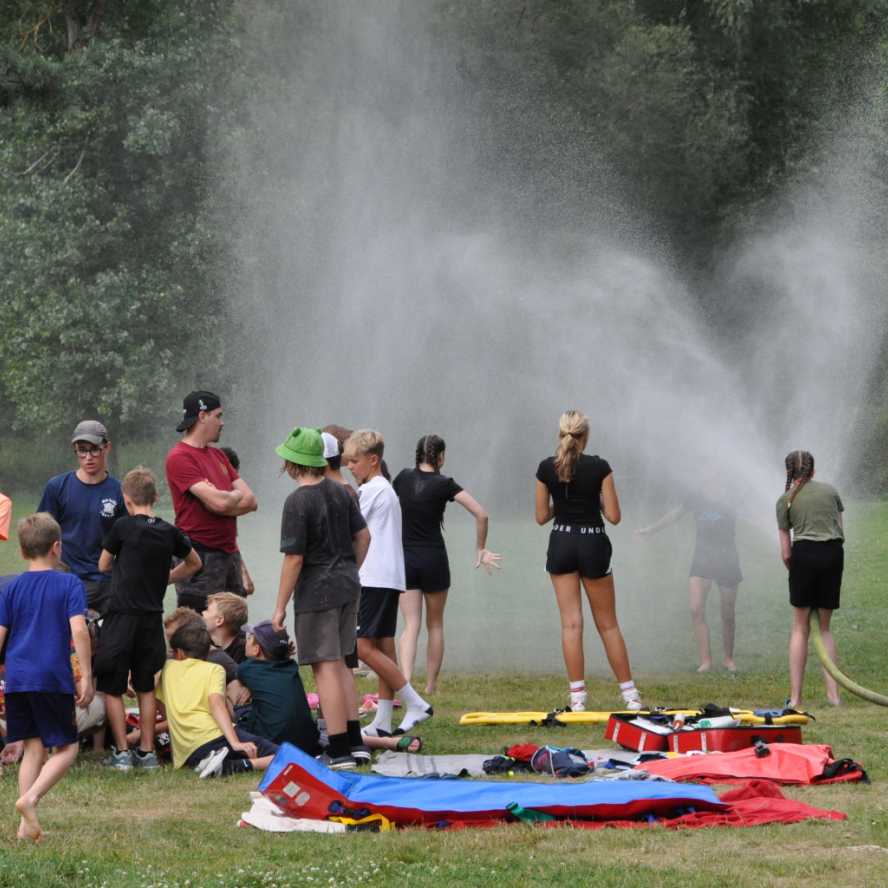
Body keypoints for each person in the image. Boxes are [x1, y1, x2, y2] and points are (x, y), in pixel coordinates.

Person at [271, 427, 372, 769]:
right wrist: (348, 568)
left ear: (293, 463)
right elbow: (364, 536)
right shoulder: (341, 491)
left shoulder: (298, 501)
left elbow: (294, 559)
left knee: (325, 667)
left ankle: (339, 749)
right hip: (348, 584)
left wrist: (280, 606)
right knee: (344, 661)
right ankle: (357, 743)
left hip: (318, 591)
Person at [535, 410, 642, 713]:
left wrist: (563, 502)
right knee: (607, 624)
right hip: (593, 541)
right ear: (586, 435)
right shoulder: (600, 467)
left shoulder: (546, 468)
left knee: (571, 625)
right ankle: (630, 695)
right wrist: (590, 498)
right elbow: (615, 517)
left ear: (561, 434)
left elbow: (542, 516)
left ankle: (577, 698)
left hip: (562, 542)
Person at [96, 467, 202, 770]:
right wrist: (166, 577)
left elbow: (103, 565)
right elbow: (195, 562)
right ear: (156, 496)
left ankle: (120, 753)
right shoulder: (170, 531)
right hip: (151, 618)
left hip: (121, 616)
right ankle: (146, 752)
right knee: (145, 686)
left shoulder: (122, 527)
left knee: (113, 686)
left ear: (126, 500)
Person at [0, 513, 93, 841]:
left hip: (18, 679)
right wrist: (87, 674)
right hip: (52, 678)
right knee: (66, 749)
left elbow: (0, 633)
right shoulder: (68, 583)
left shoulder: (10, 587)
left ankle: (26, 829)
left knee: (32, 747)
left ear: (23, 551)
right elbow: (79, 629)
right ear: (57, 548)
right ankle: (30, 799)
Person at [394, 434, 501, 693]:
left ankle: (406, 683)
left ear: (417, 455)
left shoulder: (401, 479)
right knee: (435, 625)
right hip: (433, 559)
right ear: (440, 457)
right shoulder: (444, 484)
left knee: (410, 625)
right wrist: (480, 548)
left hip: (405, 558)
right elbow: (481, 514)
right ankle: (430, 686)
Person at [343, 429, 433, 736]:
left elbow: (349, 526)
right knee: (383, 647)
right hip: (387, 577)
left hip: (374, 577)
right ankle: (382, 719)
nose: (350, 467)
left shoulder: (373, 491)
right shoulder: (382, 489)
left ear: (373, 459)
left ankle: (414, 701)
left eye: (354, 461)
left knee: (362, 648)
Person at [635, 475, 742, 673]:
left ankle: (728, 658)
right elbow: (675, 514)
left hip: (728, 559)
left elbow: (756, 513)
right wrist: (650, 531)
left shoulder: (732, 496)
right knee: (695, 609)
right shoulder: (696, 496)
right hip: (702, 559)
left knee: (727, 613)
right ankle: (706, 661)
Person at [165, 391, 258, 612]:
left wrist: (225, 499)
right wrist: (229, 499)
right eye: (219, 415)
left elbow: (251, 500)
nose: (222, 422)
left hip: (229, 556)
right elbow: (221, 504)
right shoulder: (180, 457)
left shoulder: (219, 456)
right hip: (199, 558)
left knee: (232, 631)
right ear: (203, 415)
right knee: (197, 632)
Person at [156, 622, 277, 777]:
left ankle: (220, 764)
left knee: (227, 752)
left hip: (188, 753)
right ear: (207, 651)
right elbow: (216, 704)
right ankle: (240, 766)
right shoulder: (214, 669)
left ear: (178, 652)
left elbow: (162, 706)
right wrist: (235, 742)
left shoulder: (167, 669)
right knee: (283, 755)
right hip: (213, 736)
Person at [776, 450, 844, 708]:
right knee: (824, 628)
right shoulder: (830, 492)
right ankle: (834, 695)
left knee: (800, 627)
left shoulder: (785, 500)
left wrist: (797, 571)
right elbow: (840, 531)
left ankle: (795, 698)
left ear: (789, 473)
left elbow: (785, 553)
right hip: (832, 554)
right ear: (813, 471)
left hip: (803, 556)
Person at [37, 420, 125, 614]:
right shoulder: (57, 487)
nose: (88, 457)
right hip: (68, 581)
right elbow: (41, 537)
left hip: (107, 584)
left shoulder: (119, 491)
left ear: (107, 447)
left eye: (94, 450)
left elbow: (128, 540)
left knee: (109, 643)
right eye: (81, 450)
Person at [238, 620, 321, 754]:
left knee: (240, 713)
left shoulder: (246, 669)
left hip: (274, 743)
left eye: (249, 638)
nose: (245, 641)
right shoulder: (291, 665)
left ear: (256, 649)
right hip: (308, 744)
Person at [218, 447, 256, 596]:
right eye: (233, 475)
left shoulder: (226, 498)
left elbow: (231, 542)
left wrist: (245, 575)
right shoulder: (216, 497)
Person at [203, 592, 249, 664]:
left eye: (207, 610)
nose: (203, 612)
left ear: (219, 620)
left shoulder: (244, 652)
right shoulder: (202, 643)